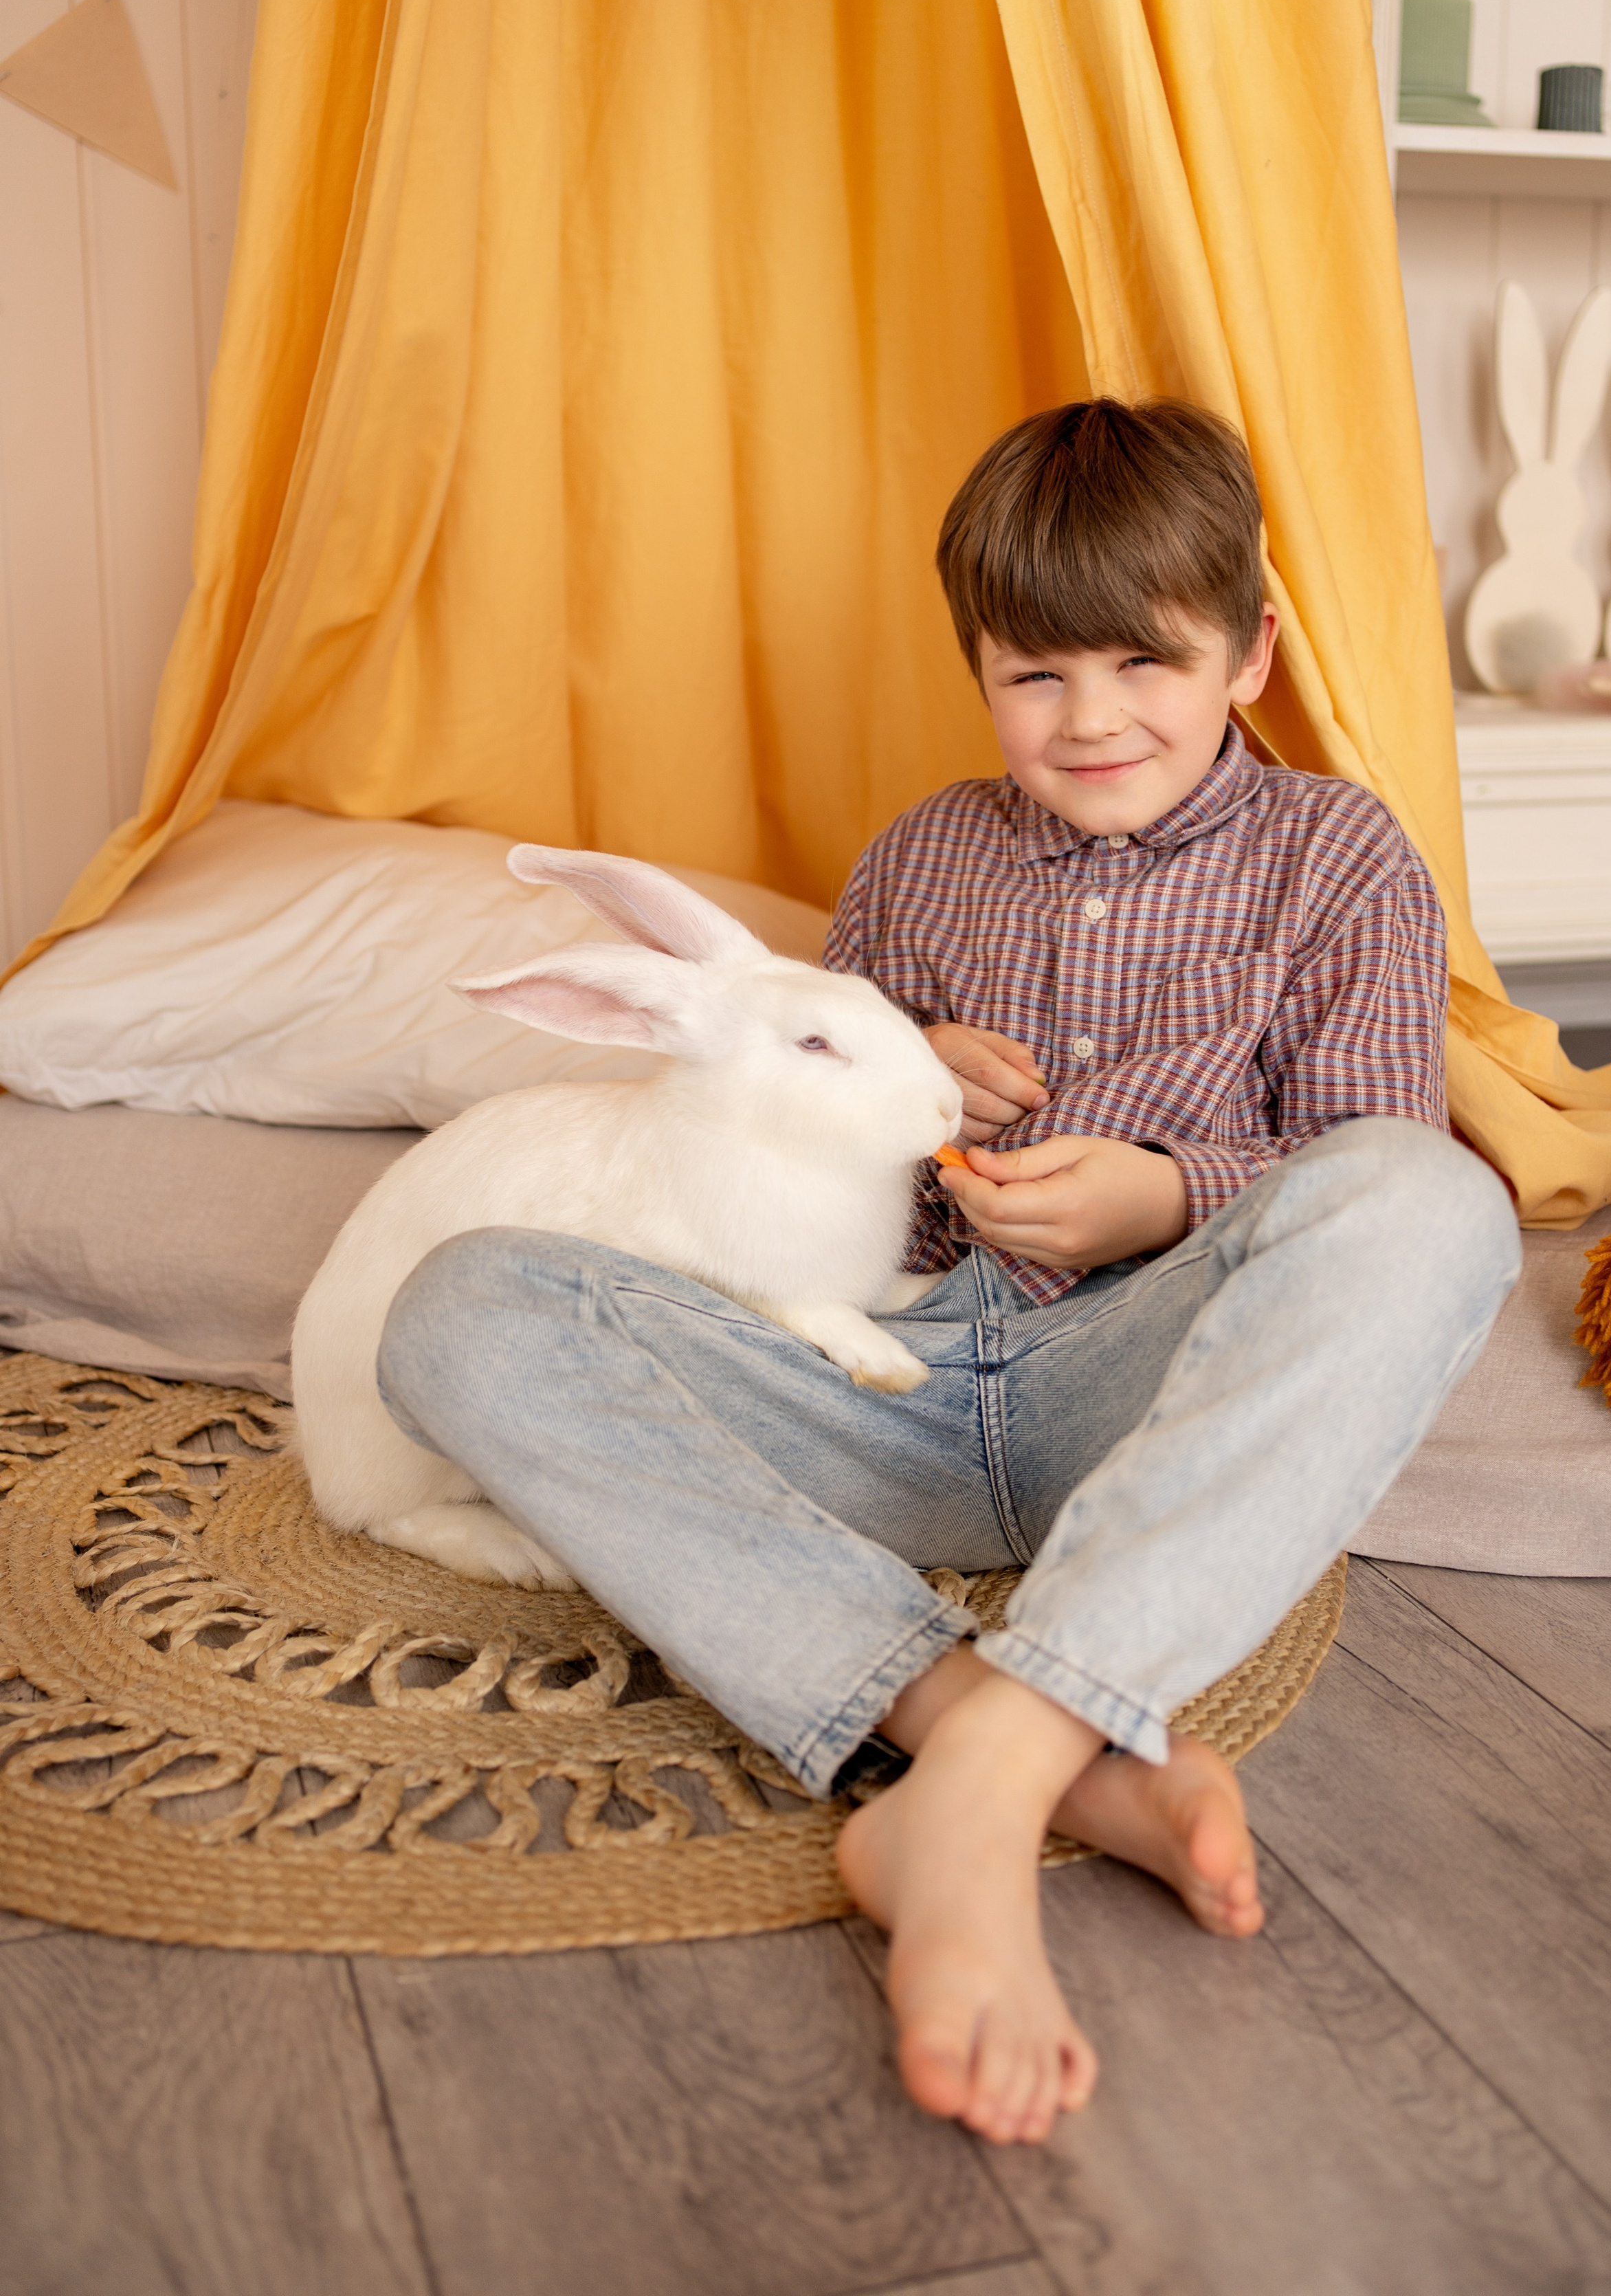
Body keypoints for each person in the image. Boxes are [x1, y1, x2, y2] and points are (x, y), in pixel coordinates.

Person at [377, 399, 1520, 2148]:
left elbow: (1356, 1173)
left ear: (1253, 653)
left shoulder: (1340, 858)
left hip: (1140, 1392)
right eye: (1033, 676)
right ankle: (949, 1705)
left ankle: (987, 1774)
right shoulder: (915, 862)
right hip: (878, 1387)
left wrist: (1160, 1199)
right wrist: (904, 1115)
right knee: (457, 1302)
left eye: (1145, 663)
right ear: (976, 670)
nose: (1091, 718)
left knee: (1433, 1206)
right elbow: (814, 1213)